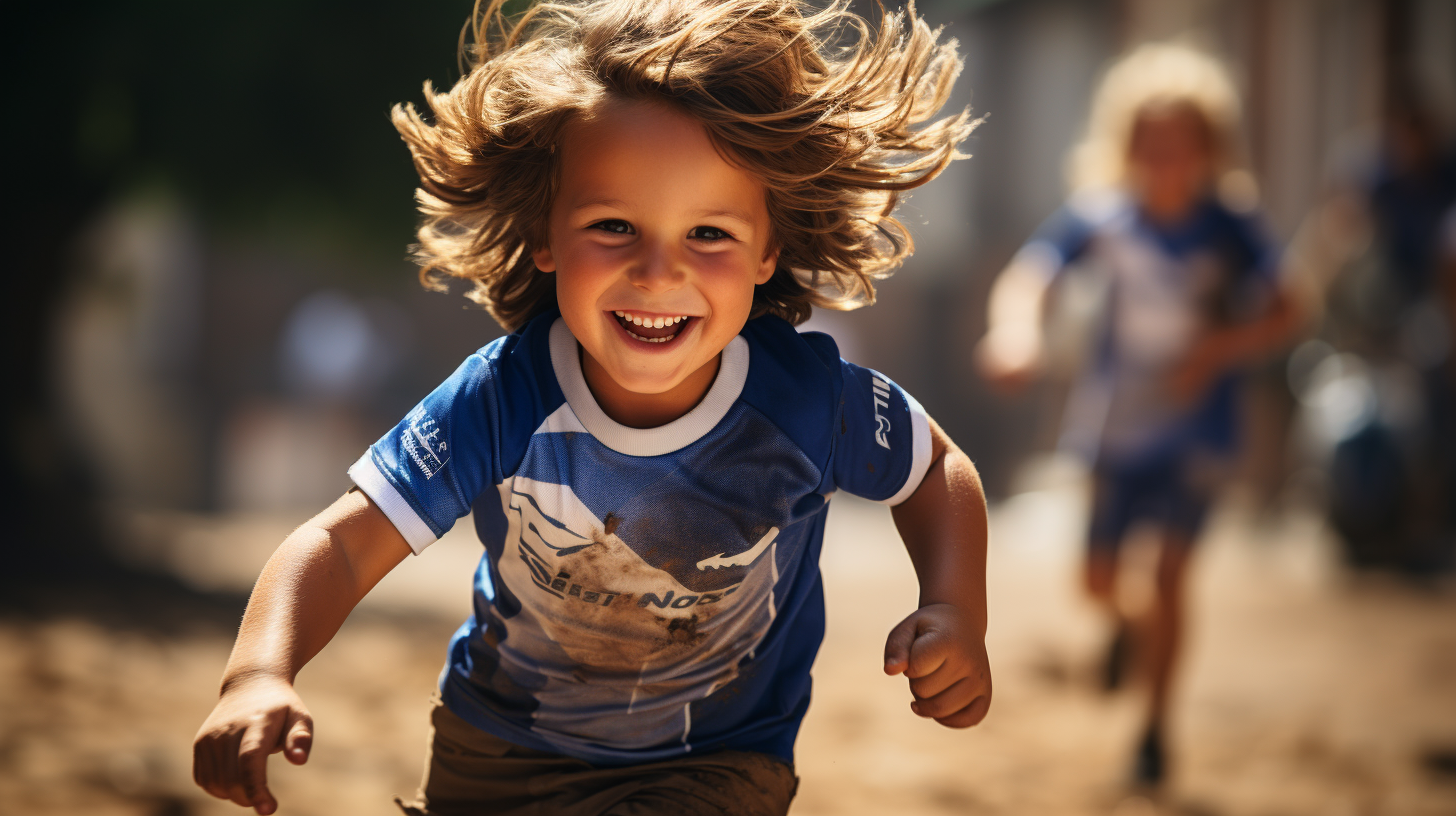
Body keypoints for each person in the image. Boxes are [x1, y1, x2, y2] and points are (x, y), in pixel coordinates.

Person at [192, 1, 992, 814]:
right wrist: (258, 675)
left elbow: (934, 470)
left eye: (708, 235)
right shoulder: (502, 396)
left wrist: (955, 608)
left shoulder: (808, 401)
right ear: (547, 233)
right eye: (614, 225)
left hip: (718, 758)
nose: (656, 273)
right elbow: (341, 543)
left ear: (767, 250)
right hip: (497, 750)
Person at [976, 44, 1301, 787]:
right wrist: (1018, 332)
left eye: (1180, 143)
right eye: (1147, 143)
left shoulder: (1230, 225)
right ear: (1122, 146)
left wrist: (1219, 349)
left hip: (1198, 429)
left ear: (1211, 150)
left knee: (1171, 575)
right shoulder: (1104, 219)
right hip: (1116, 425)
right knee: (1095, 579)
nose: (1163, 158)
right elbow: (1030, 277)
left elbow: (1289, 305)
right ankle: (1125, 632)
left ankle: (1154, 728)